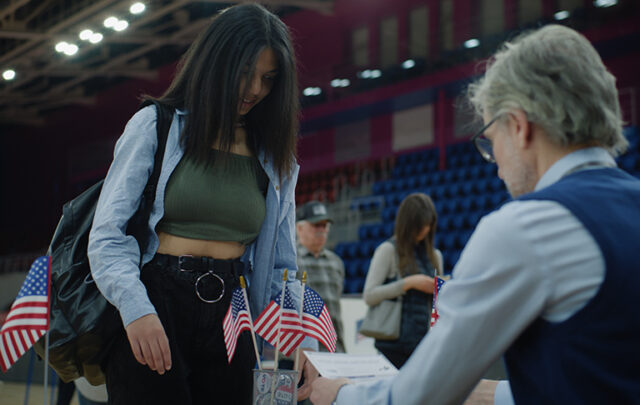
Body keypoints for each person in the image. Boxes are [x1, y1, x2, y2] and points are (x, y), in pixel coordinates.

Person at [310, 24, 640, 405]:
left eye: (490, 138)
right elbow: (599, 377)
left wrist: (341, 396)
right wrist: (494, 394)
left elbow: (416, 398)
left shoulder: (526, 227)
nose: (495, 164)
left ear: (519, 126)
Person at [87, 4, 317, 405]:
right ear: (216, 61)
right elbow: (108, 236)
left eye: (268, 79)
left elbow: (282, 266)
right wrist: (135, 308)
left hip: (234, 310)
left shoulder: (276, 159)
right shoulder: (154, 125)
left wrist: (298, 335)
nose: (255, 90)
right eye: (245, 73)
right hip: (156, 300)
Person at [362, 193, 443, 368]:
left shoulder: (435, 256)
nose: (424, 230)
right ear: (408, 224)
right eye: (420, 225)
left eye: (428, 225)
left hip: (424, 342)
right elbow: (369, 295)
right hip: (392, 345)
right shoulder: (388, 250)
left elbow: (440, 303)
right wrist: (408, 283)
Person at [295, 200, 346, 353]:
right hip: (301, 350)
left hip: (334, 347)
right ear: (299, 228)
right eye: (316, 225)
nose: (321, 230)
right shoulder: (291, 261)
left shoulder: (336, 262)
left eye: (324, 225)